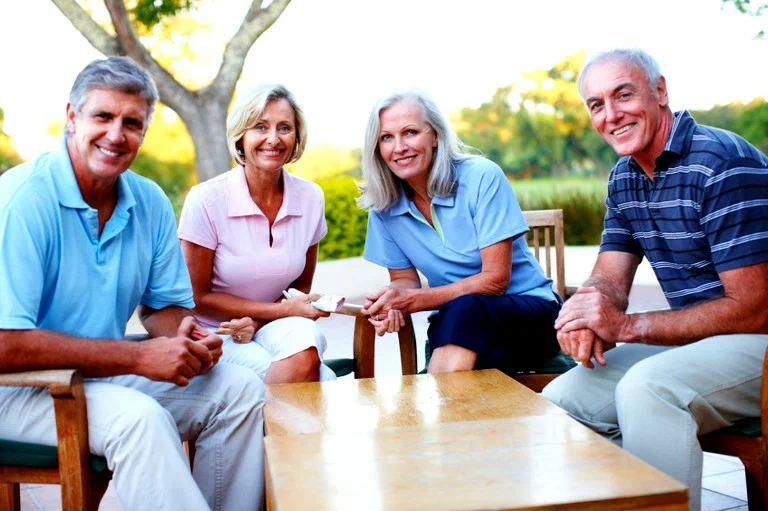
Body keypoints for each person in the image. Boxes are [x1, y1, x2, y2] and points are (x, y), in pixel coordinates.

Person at [0, 57, 266, 510]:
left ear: (144, 131)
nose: (116, 134)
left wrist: (190, 338)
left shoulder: (148, 201)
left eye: (132, 122)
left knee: (240, 389)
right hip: (18, 389)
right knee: (141, 421)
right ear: (72, 117)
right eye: (102, 116)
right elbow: (5, 344)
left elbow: (165, 308)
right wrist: (138, 356)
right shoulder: (22, 201)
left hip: (100, 375)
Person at [542, 48, 768, 511]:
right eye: (597, 104)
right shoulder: (625, 177)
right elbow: (610, 273)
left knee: (648, 389)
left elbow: (754, 308)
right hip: (699, 340)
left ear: (660, 91)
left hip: (758, 339)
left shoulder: (720, 162)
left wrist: (626, 327)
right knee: (560, 399)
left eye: (623, 95)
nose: (611, 115)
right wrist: (585, 312)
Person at [359, 91, 561, 374]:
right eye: (387, 137)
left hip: (529, 316)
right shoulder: (383, 207)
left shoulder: (481, 176)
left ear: (435, 136)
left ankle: (432, 406)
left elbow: (496, 281)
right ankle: (450, 408)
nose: (399, 147)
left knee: (464, 312)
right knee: (459, 319)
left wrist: (415, 301)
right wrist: (391, 300)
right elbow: (405, 281)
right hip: (459, 324)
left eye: (411, 132)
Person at [178, 84, 335, 384]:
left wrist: (261, 318)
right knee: (324, 381)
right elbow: (196, 297)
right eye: (260, 127)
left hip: (271, 323)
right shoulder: (206, 199)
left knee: (307, 341)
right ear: (241, 135)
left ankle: (268, 432)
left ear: (296, 137)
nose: (273, 139)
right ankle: (271, 432)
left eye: (284, 128)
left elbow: (298, 290)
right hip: (215, 332)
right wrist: (269, 315)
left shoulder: (311, 197)